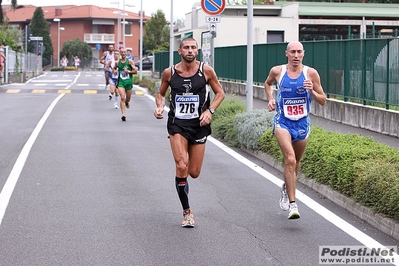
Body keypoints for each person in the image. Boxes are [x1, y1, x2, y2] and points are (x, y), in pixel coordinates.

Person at [153, 37, 225, 227]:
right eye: (186, 48)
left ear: (197, 50)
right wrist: (159, 107)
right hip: (177, 124)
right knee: (181, 165)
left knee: (193, 172)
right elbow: (160, 94)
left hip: (199, 125)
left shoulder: (206, 71)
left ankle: (186, 203)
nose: (190, 50)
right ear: (180, 51)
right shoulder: (170, 73)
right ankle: (187, 212)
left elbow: (220, 93)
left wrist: (210, 111)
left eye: (193, 47)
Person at [264, 41, 326, 220]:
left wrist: (312, 91)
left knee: (296, 162)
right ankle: (293, 204)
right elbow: (267, 84)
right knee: (289, 159)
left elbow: (323, 100)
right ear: (287, 54)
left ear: (303, 54)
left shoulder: (311, 73)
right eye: (293, 52)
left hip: (302, 124)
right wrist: (270, 98)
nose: (296, 55)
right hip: (283, 122)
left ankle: (286, 186)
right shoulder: (278, 71)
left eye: (299, 52)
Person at [114, 47, 137, 121]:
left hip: (129, 82)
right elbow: (114, 68)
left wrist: (128, 72)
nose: (123, 53)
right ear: (120, 53)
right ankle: (123, 114)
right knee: (122, 97)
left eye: (124, 52)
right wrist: (114, 71)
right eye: (122, 52)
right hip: (121, 82)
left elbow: (135, 71)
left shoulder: (130, 61)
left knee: (127, 99)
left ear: (126, 53)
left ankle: (127, 102)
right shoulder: (118, 62)